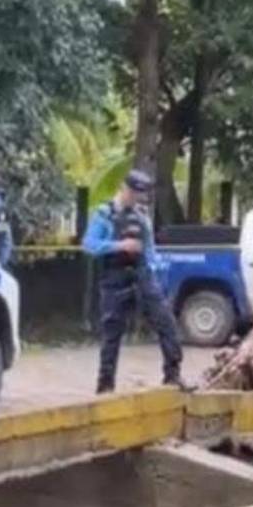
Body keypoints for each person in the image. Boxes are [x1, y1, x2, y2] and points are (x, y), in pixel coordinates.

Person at [83, 169, 189, 394]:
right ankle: (105, 386)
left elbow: (150, 251)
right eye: (133, 193)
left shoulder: (142, 217)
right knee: (112, 334)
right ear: (124, 188)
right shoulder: (105, 214)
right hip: (115, 277)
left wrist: (159, 272)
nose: (136, 198)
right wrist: (118, 246)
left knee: (167, 323)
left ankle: (173, 375)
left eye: (140, 195)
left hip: (142, 276)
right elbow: (89, 244)